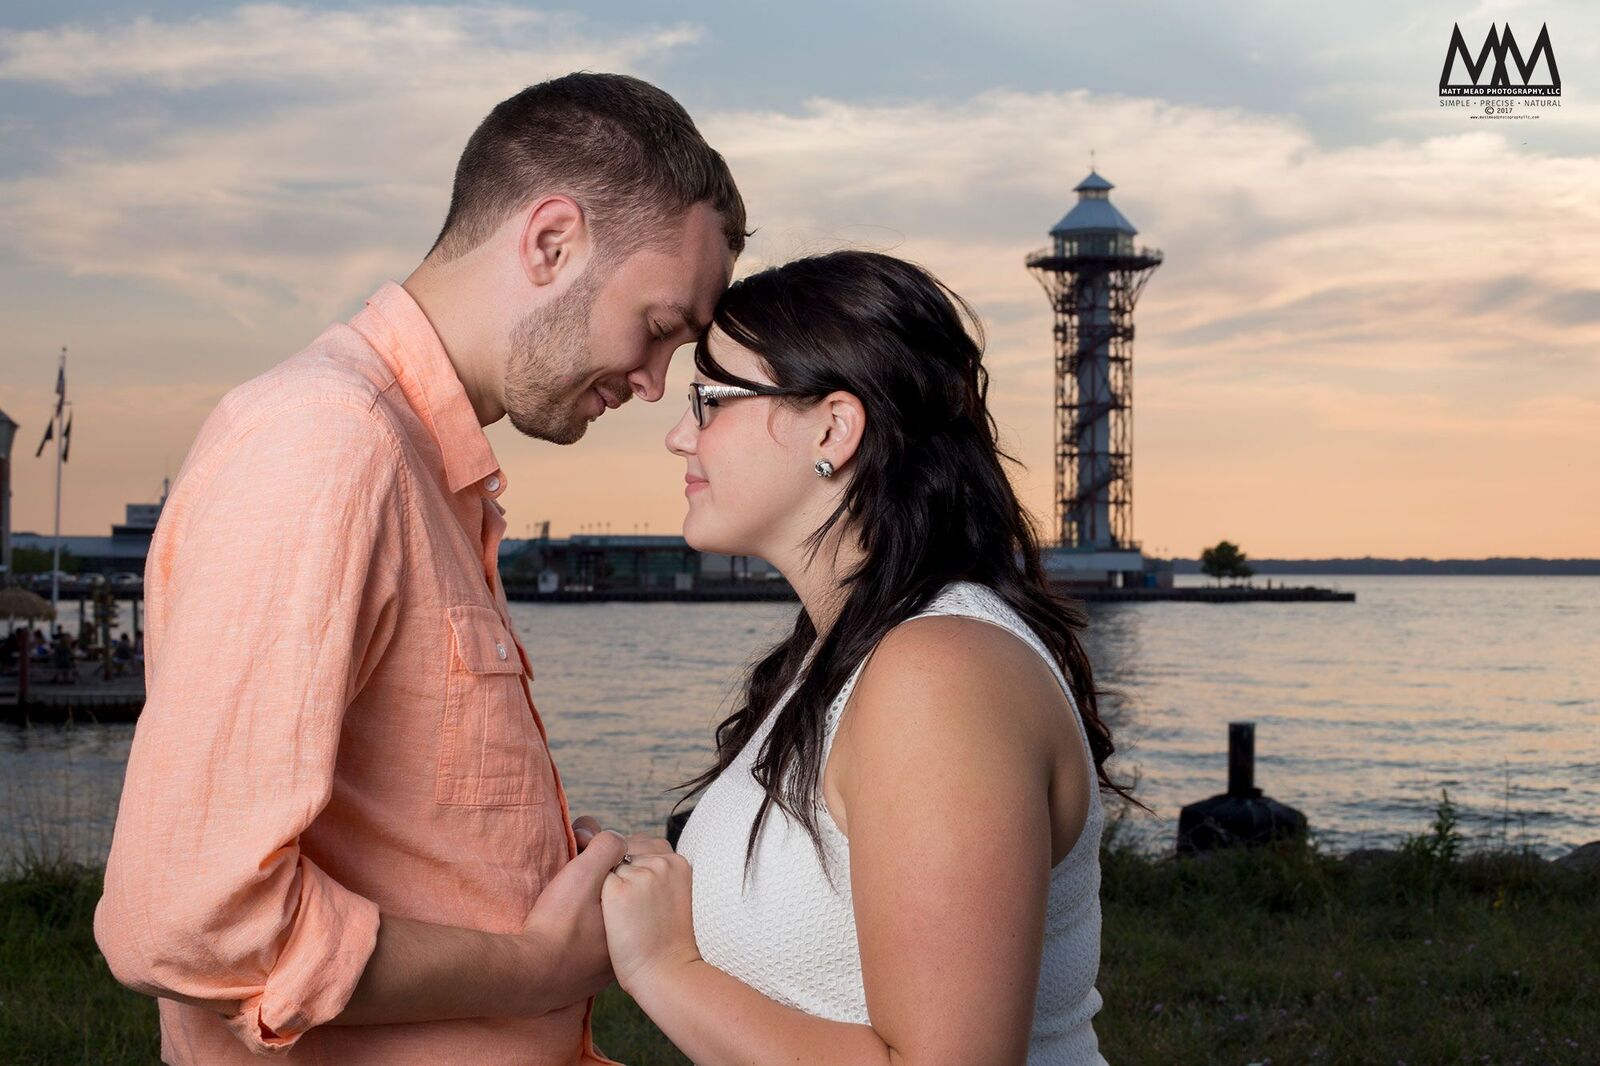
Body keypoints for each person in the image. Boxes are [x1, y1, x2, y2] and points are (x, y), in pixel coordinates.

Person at [94, 72, 743, 1065]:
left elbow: (395, 819)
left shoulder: (417, 467)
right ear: (551, 242)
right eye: (659, 326)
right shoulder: (330, 443)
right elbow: (193, 918)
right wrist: (534, 963)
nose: (656, 384)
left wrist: (553, 867)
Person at [599, 251, 1127, 1064]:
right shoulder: (847, 654)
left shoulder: (938, 675)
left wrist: (663, 966)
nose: (678, 435)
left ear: (833, 429)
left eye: (710, 400)